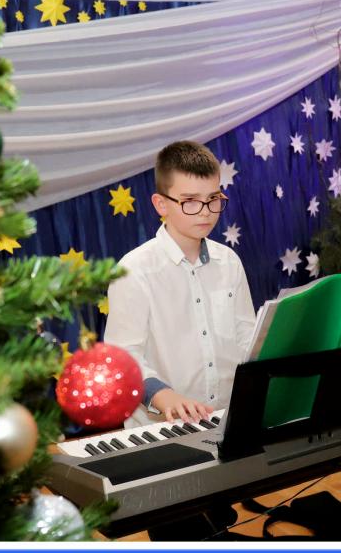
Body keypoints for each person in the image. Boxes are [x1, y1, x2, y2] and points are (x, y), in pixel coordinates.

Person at [104, 140, 256, 540]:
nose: (205, 212)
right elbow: (121, 357)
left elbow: (246, 337)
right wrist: (161, 394)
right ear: (161, 204)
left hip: (223, 424)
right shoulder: (134, 271)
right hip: (161, 438)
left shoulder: (229, 262)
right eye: (190, 201)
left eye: (213, 199)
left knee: (218, 522)